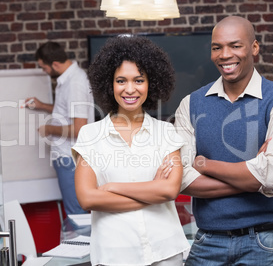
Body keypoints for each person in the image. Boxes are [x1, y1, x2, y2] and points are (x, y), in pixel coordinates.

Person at [174, 16, 273, 265]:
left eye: (235, 45)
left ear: (254, 48)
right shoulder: (191, 104)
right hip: (208, 240)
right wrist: (255, 180)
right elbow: (180, 179)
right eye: (217, 47)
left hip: (264, 242)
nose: (225, 54)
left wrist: (204, 164)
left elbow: (272, 176)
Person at [71, 36, 190, 266]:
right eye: (121, 81)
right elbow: (87, 198)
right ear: (109, 84)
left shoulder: (166, 132)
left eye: (138, 80)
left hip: (165, 252)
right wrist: (150, 191)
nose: (130, 89)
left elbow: (169, 190)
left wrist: (112, 188)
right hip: (114, 255)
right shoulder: (90, 135)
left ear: (151, 83)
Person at [25, 42, 94, 215]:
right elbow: (65, 112)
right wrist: (42, 105)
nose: (44, 71)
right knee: (75, 212)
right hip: (68, 157)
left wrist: (48, 129)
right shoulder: (69, 80)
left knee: (76, 214)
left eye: (44, 67)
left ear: (55, 64)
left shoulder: (74, 83)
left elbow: (79, 128)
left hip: (70, 158)